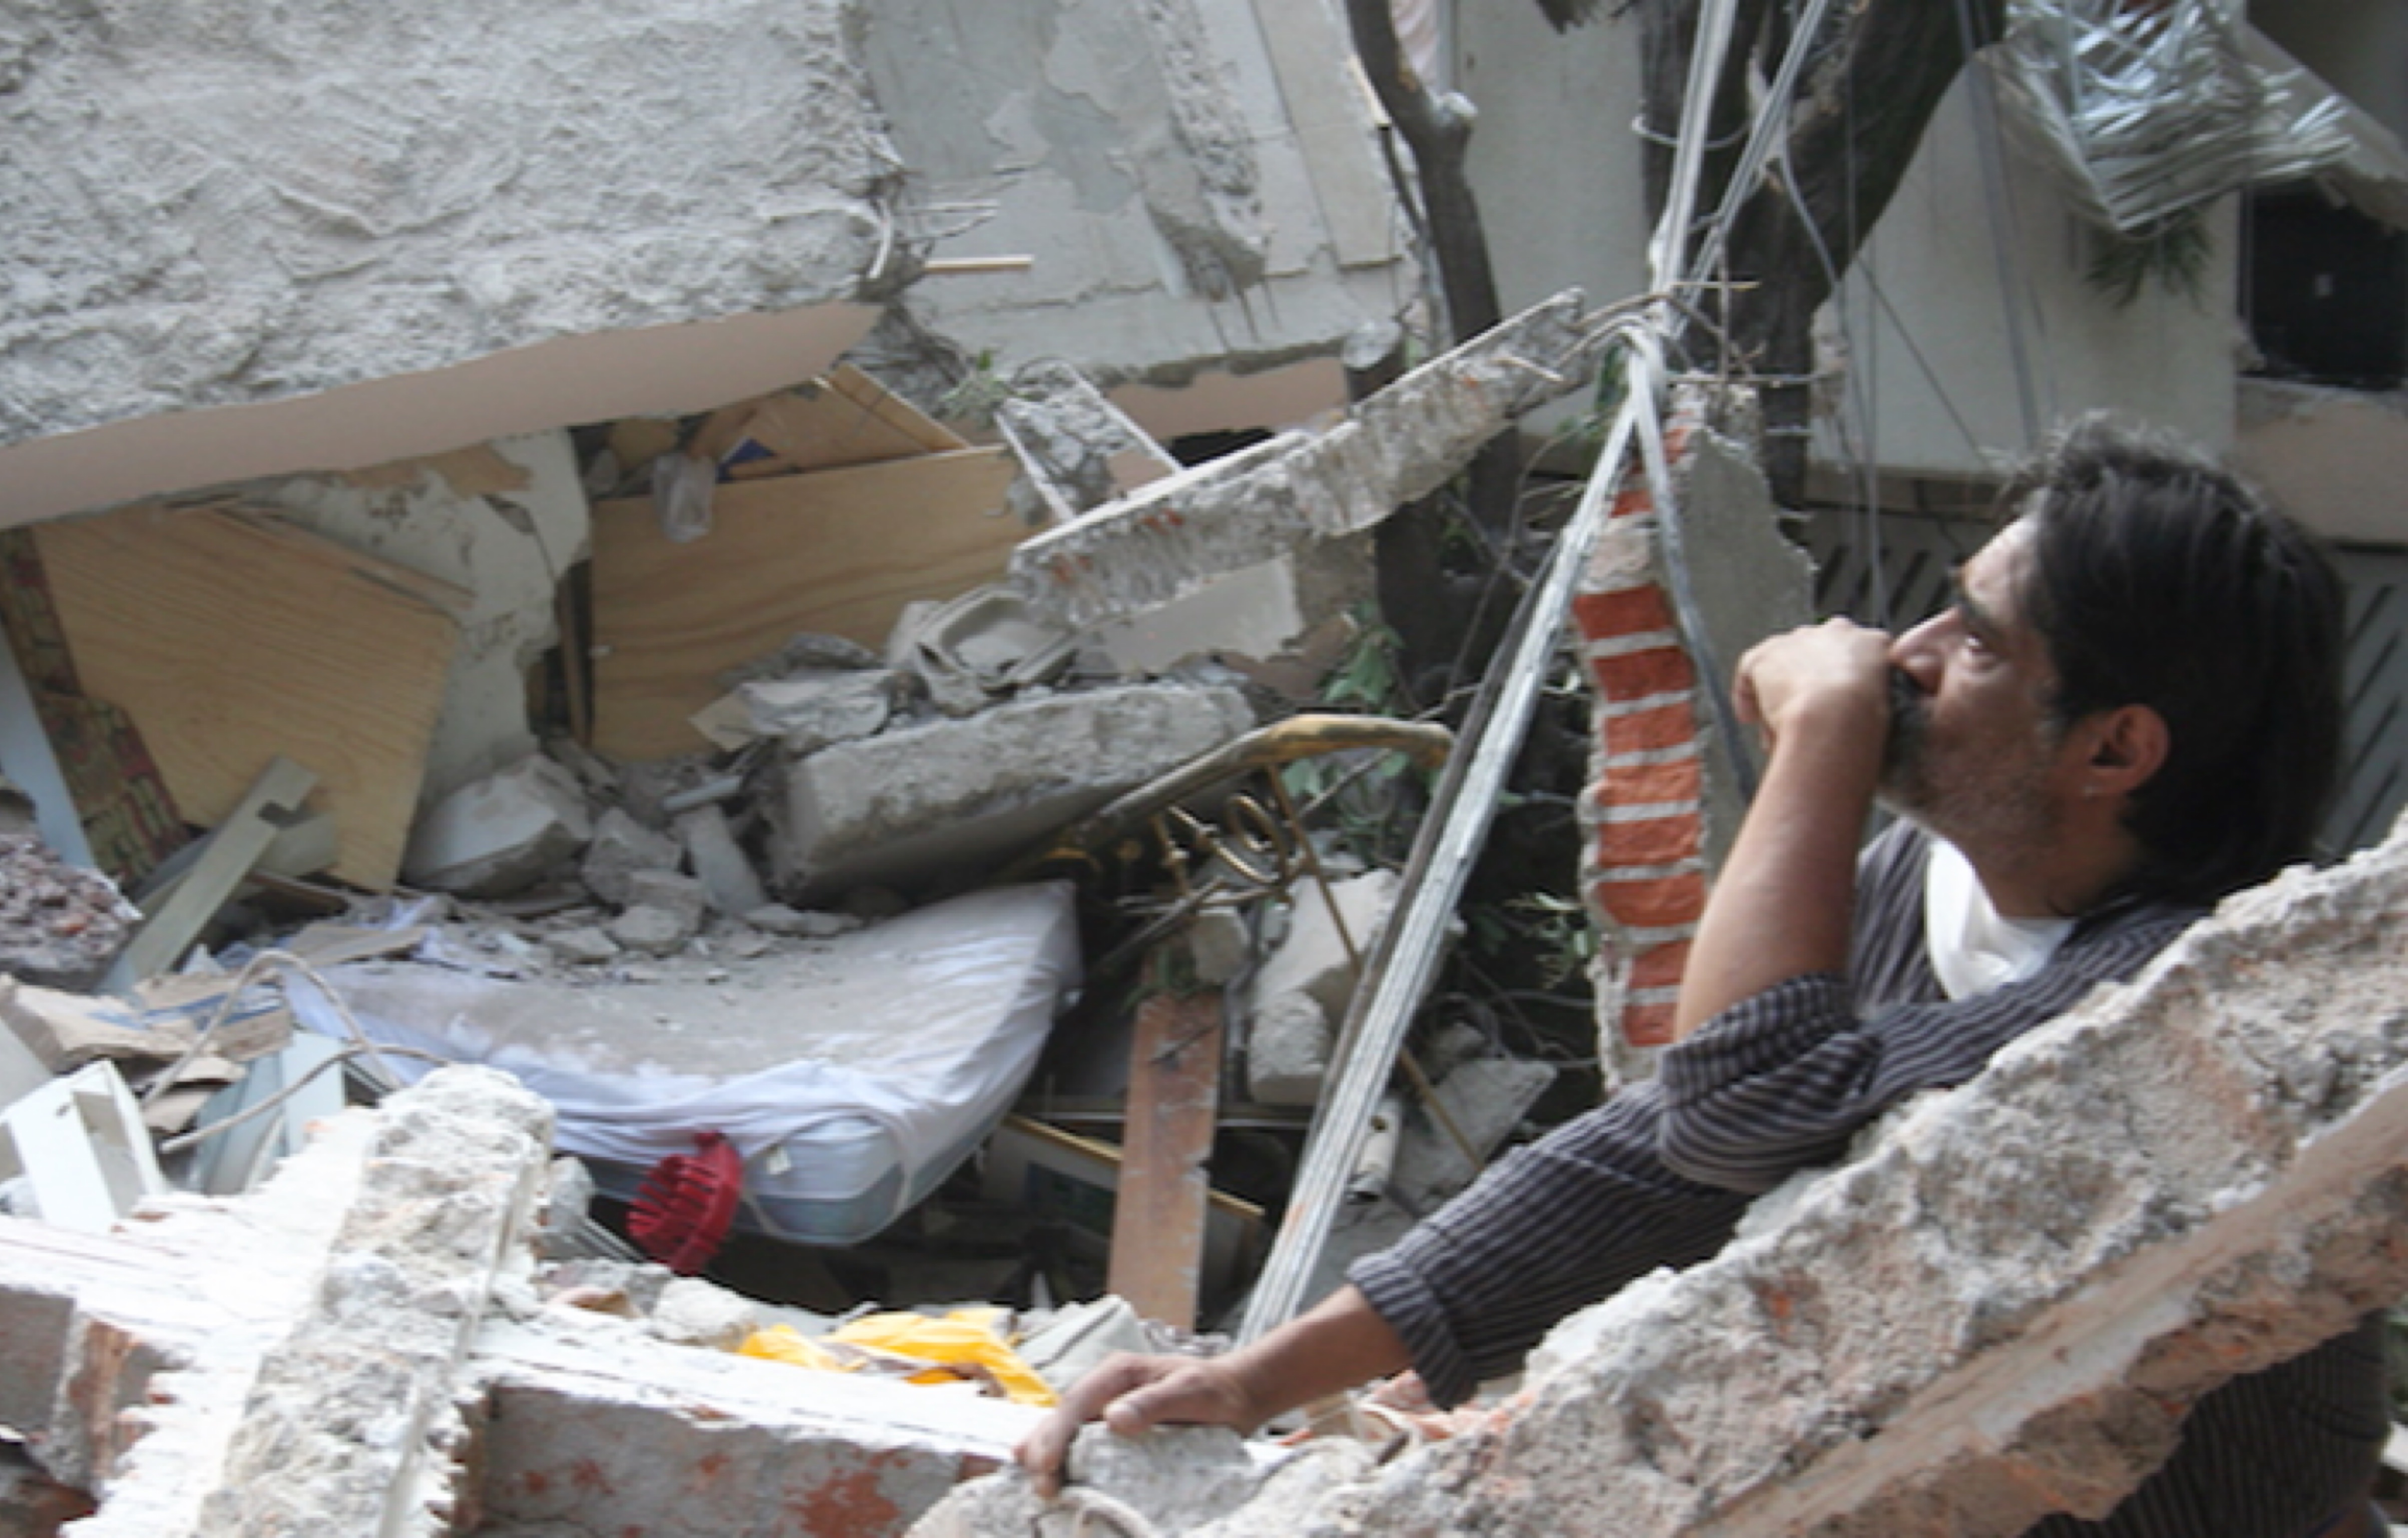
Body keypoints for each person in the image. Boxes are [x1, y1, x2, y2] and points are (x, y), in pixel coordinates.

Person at [1018, 416, 2384, 1536]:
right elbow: (1660, 1149)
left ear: (2111, 753)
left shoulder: (2169, 985)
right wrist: (1256, 1376)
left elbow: (1742, 1100)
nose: (1901, 655)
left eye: (1972, 642)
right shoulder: (1941, 883)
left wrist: (1825, 735)